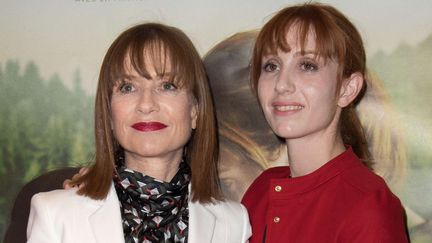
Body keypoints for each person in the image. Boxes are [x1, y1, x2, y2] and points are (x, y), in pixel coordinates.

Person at [26, 23, 251, 243]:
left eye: (167, 86)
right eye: (128, 87)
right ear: (110, 114)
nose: (146, 104)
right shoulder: (55, 215)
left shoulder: (233, 224)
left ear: (194, 111)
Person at [241, 3, 409, 242]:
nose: (281, 84)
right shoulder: (261, 190)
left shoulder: (368, 206)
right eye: (271, 66)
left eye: (307, 65)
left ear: (347, 88)